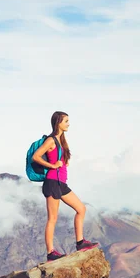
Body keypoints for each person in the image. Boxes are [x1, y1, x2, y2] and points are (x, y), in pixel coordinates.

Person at [32, 111, 99, 262]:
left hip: (61, 184)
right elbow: (35, 156)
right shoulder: (50, 140)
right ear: (58, 123)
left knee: (81, 209)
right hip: (52, 182)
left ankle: (80, 242)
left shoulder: (61, 141)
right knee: (52, 218)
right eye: (66, 121)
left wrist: (63, 163)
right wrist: (53, 165)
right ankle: (51, 253)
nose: (68, 124)